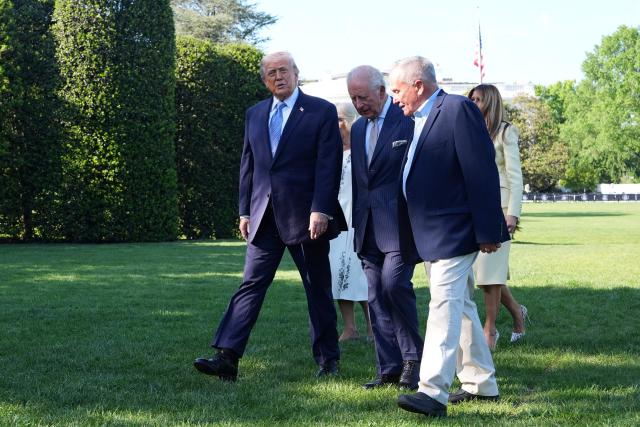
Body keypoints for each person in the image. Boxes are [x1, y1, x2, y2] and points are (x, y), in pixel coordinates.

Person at [194, 52, 346, 381]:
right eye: (272, 72)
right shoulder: (255, 114)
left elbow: (328, 164)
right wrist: (244, 210)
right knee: (250, 285)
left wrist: (321, 208)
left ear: (296, 73)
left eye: (284, 71)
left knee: (317, 288)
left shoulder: (320, 111)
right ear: (265, 79)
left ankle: (328, 359)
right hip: (263, 217)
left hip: (308, 219)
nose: (279, 76)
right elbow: (248, 165)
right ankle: (227, 357)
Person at [388, 56, 509, 418]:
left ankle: (432, 392)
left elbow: (481, 171)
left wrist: (488, 230)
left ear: (418, 85)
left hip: (454, 232)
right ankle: (481, 383)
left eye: (397, 90)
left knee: (442, 307)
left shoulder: (457, 109)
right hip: (429, 234)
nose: (394, 99)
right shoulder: (417, 119)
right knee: (462, 307)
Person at [346, 65, 423, 390]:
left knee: (394, 287)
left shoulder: (408, 121)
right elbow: (358, 180)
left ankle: (413, 361)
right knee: (375, 295)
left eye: (362, 97)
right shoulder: (358, 129)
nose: (359, 104)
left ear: (381, 91)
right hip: (367, 227)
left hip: (400, 227)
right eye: (353, 99)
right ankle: (388, 368)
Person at [468, 84, 528, 350]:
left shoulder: (505, 132)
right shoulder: (469, 131)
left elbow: (516, 177)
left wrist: (513, 213)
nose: (473, 103)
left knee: (490, 272)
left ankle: (490, 329)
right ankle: (518, 313)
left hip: (501, 209)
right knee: (485, 272)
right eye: (471, 99)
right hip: (474, 208)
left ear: (490, 102)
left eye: (478, 99)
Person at [329, 101, 373, 342]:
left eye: (336, 119)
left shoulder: (363, 150)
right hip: (336, 224)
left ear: (346, 121)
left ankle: (372, 325)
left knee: (360, 274)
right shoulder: (330, 152)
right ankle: (349, 328)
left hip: (358, 222)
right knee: (337, 273)